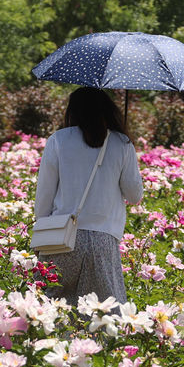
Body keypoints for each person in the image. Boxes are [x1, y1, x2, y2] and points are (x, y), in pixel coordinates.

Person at [34, 87, 143, 307]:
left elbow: (44, 195)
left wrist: (40, 234)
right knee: (103, 314)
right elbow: (134, 196)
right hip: (103, 240)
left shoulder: (59, 140)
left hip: (61, 237)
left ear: (73, 111)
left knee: (51, 309)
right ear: (107, 110)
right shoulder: (121, 143)